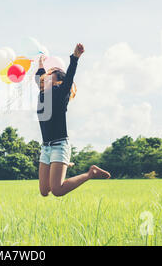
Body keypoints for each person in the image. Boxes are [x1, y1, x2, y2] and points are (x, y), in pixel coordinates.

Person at [35, 43, 111, 197]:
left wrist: (75, 58)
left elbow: (69, 77)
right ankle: (63, 164)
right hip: (46, 148)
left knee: (57, 190)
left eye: (51, 73)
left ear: (58, 81)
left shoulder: (60, 93)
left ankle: (91, 173)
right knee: (44, 191)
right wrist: (41, 63)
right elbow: (39, 78)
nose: (47, 75)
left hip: (59, 146)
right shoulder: (43, 93)